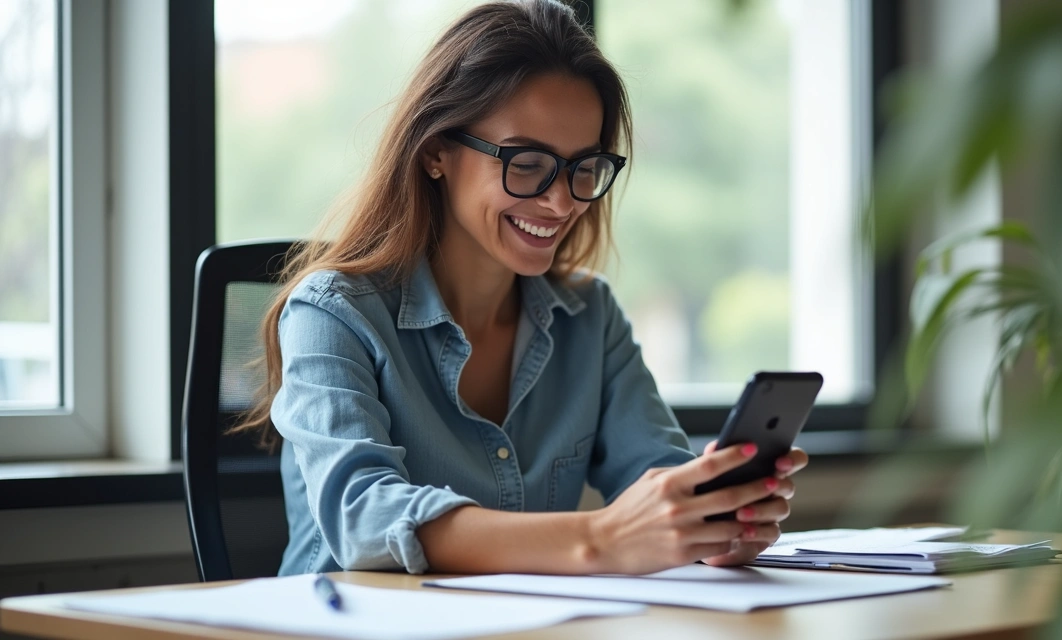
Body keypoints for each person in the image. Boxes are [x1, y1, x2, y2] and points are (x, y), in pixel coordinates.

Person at [232, 0, 809, 577]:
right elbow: (364, 518)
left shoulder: (591, 317)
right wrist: (600, 538)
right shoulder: (331, 315)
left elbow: (654, 473)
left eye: (584, 167)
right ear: (437, 151)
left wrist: (709, 523)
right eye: (528, 163)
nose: (561, 202)